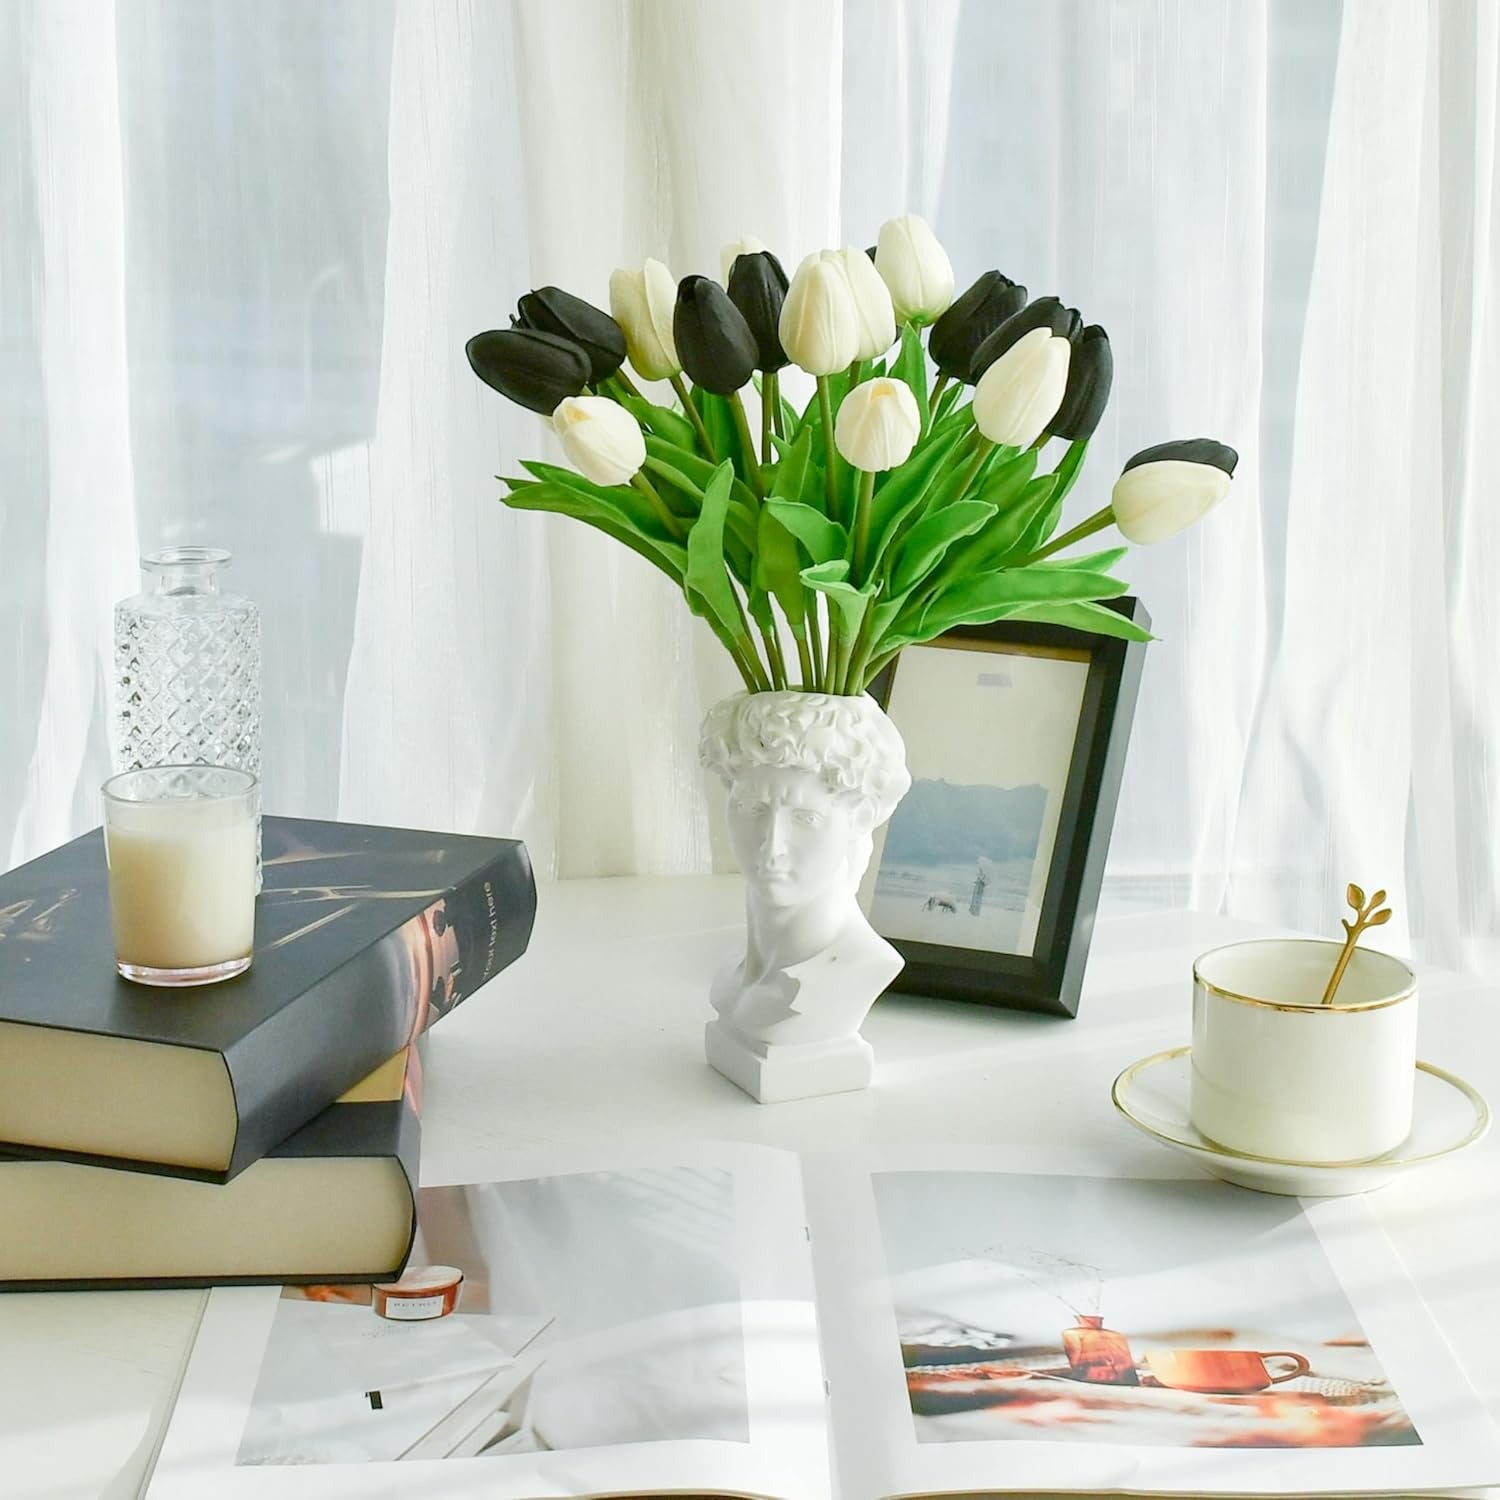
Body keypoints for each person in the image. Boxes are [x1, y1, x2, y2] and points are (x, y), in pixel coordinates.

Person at [699, 691, 911, 1055]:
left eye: (806, 818)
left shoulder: (860, 966)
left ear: (859, 818)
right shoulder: (732, 974)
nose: (771, 846)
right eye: (752, 808)